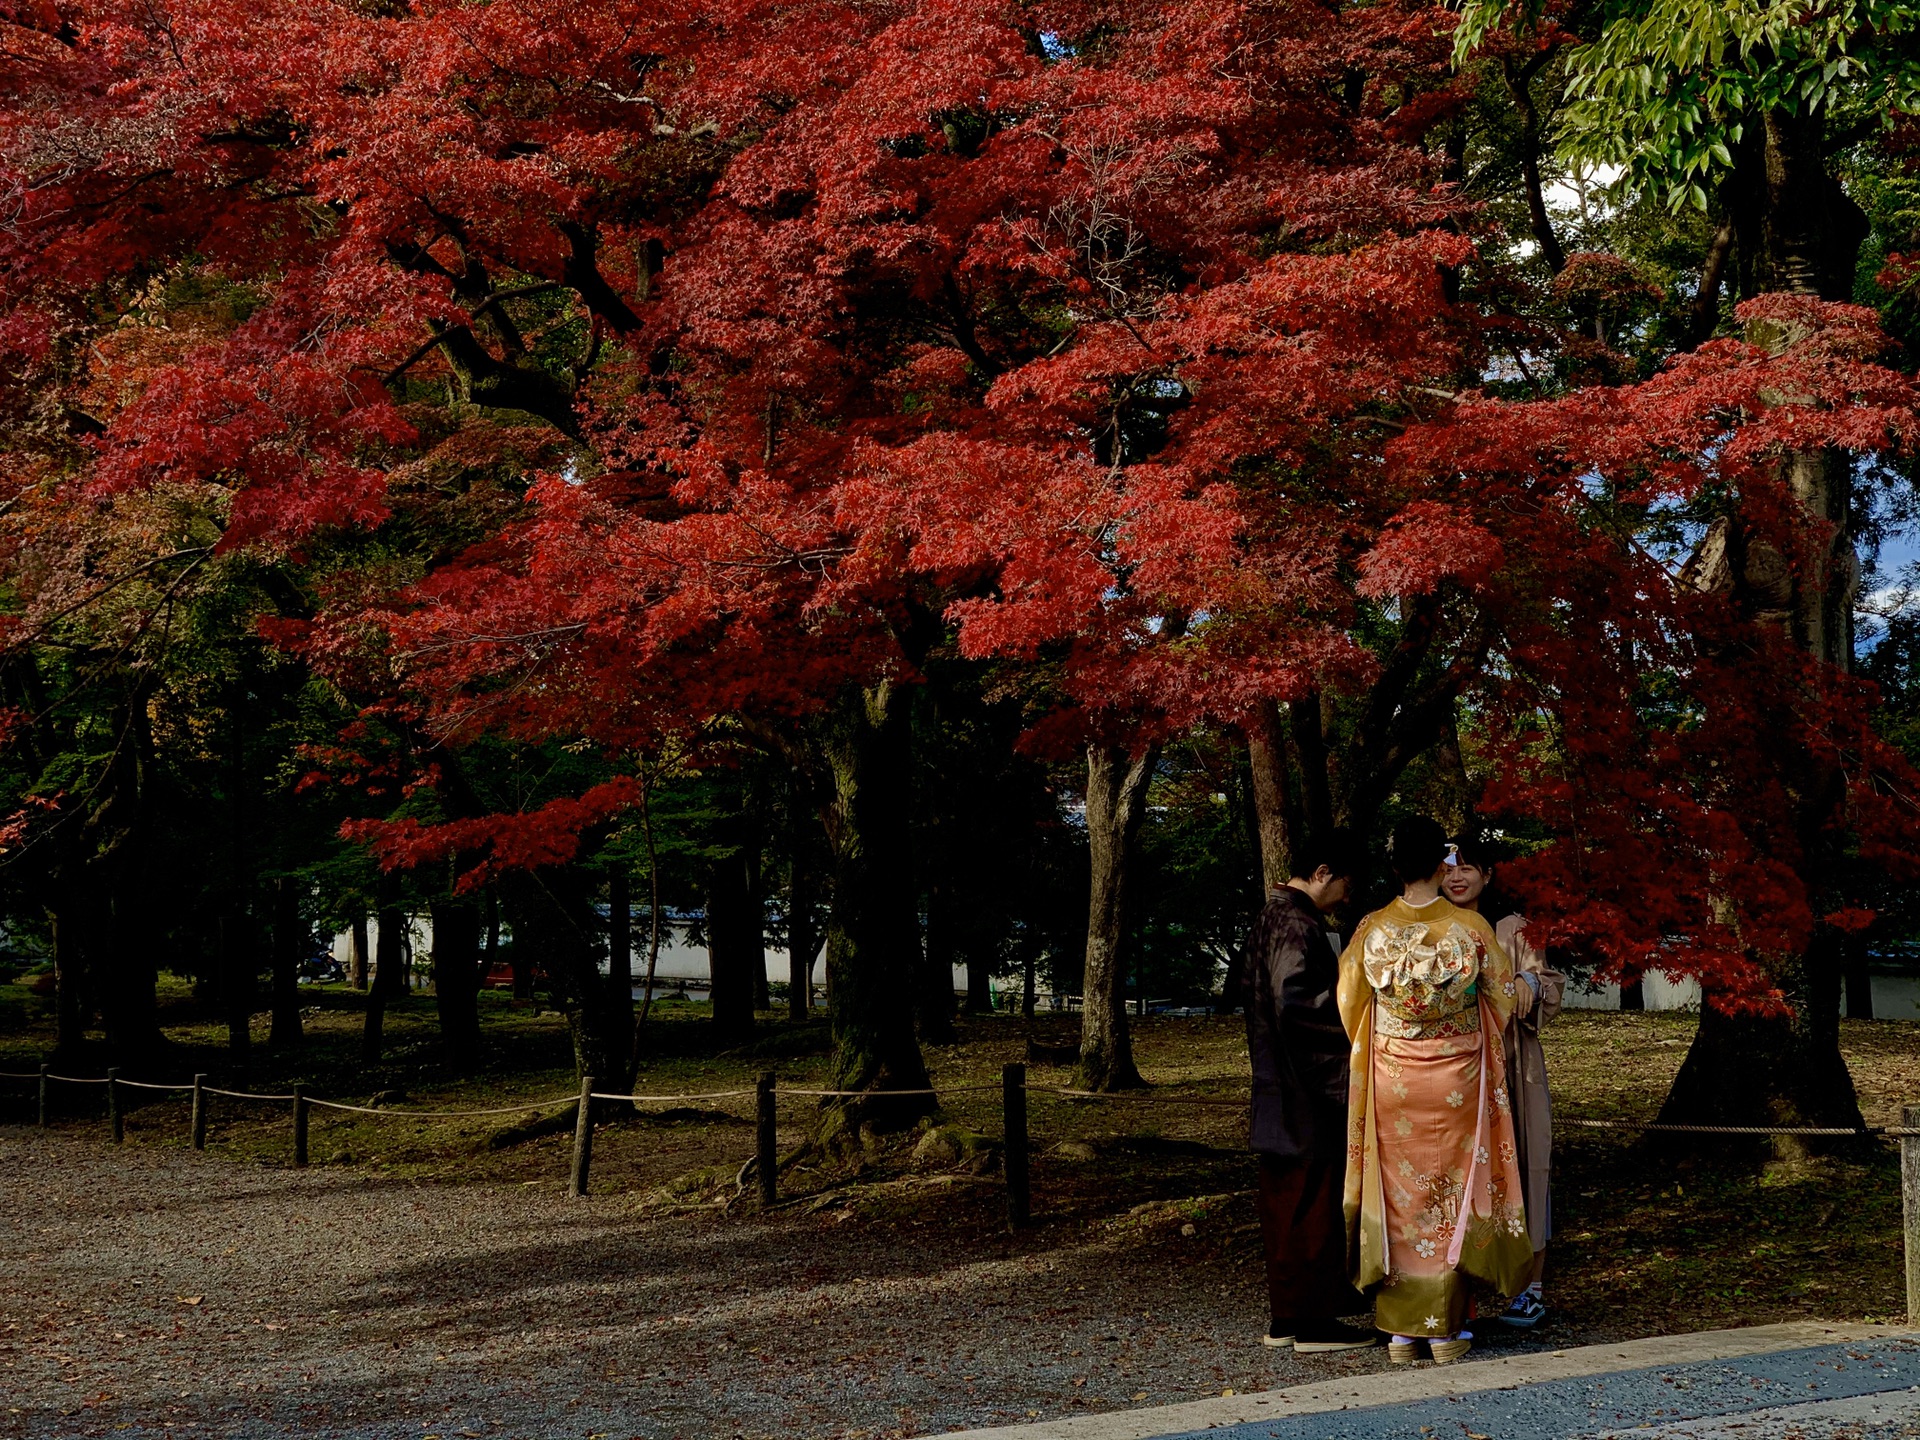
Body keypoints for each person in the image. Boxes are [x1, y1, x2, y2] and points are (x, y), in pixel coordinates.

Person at [1338, 817, 1532, 1365]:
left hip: (1393, 1078)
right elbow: (1499, 1000)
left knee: (1399, 1194)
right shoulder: (1469, 929)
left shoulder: (1371, 929)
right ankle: (1445, 1330)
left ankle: (1401, 1332)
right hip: (1458, 1079)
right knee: (1453, 1189)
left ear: (1395, 865)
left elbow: (1350, 1004)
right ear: (1440, 864)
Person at [1238, 828, 1377, 1353]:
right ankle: (1314, 1323)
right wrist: (1356, 1052)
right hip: (1306, 1087)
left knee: (1285, 1204)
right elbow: (1298, 1003)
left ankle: (1288, 1317)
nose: (1346, 895)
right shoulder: (1296, 923)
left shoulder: (1274, 916)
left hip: (1278, 1083)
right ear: (1322, 873)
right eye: (1344, 883)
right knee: (1313, 1202)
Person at [1444, 835, 1565, 1329]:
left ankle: (1530, 1291)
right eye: (1446, 867)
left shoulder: (1515, 929)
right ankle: (1457, 1293)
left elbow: (1549, 981)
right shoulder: (1432, 928)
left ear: (1487, 875)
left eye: (1467, 867)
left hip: (1515, 1069)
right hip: (1455, 1075)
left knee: (1530, 1167)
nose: (1455, 876)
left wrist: (1526, 983)